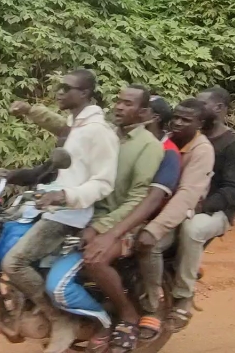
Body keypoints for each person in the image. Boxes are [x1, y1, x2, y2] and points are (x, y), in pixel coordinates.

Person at [0, 70, 119, 353]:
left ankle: (59, 319)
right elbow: (59, 154)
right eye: (59, 86)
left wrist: (65, 195)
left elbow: (103, 183)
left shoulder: (99, 132)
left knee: (13, 263)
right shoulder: (75, 124)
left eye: (67, 88)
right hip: (52, 206)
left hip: (71, 215)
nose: (59, 92)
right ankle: (23, 305)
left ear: (85, 94)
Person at [76, 85, 164, 353]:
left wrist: (103, 228)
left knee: (95, 258)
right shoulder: (109, 136)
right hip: (93, 214)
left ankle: (127, 315)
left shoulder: (148, 146)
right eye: (118, 102)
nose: (119, 107)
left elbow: (138, 199)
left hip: (126, 223)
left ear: (143, 111)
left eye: (128, 104)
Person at [165, 86, 235, 332]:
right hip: (180, 202)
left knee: (191, 230)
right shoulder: (185, 136)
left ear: (220, 109)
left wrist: (196, 207)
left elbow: (231, 191)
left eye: (205, 105)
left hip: (215, 213)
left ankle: (183, 296)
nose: (198, 109)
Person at [134, 98, 215, 340]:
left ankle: (154, 304)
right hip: (149, 208)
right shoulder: (162, 138)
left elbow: (186, 195)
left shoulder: (202, 150)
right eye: (176, 117)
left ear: (199, 123)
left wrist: (155, 229)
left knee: (149, 245)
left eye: (186, 120)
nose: (178, 123)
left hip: (176, 214)